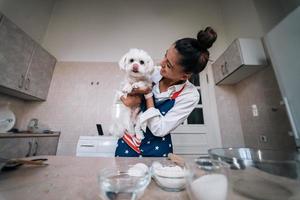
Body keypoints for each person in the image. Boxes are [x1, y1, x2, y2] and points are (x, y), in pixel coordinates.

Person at [115, 27, 217, 157]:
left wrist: (147, 95)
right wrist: (129, 96)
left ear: (184, 76)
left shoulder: (190, 95)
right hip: (127, 143)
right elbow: (125, 93)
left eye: (169, 65)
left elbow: (159, 129)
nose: (161, 63)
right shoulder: (153, 72)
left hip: (156, 150)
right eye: (165, 55)